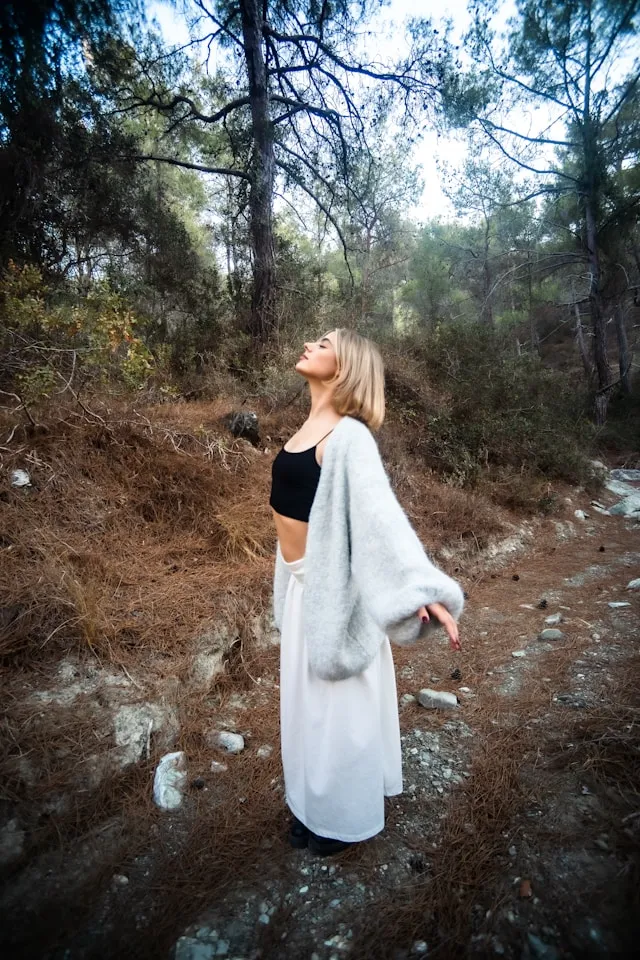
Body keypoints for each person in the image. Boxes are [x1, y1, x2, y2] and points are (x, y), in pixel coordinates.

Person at [269, 328, 464, 856]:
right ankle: (312, 805)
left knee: (341, 714)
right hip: (303, 586)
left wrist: (416, 588)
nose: (309, 343)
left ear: (345, 366)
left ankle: (342, 817)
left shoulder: (350, 437)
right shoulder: (308, 426)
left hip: (337, 594)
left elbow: (380, 519)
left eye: (324, 342)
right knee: (306, 709)